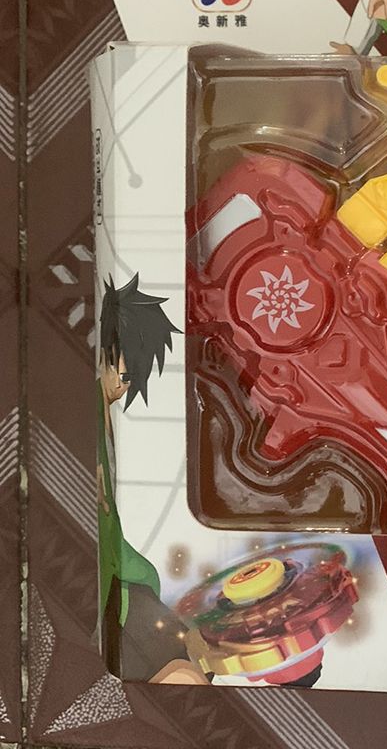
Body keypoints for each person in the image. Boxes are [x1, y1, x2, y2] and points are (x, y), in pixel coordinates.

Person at [97, 274, 207, 684]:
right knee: (180, 671)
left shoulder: (105, 422)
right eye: (122, 368)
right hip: (124, 593)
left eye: (131, 374)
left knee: (184, 665)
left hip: (131, 586)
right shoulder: (91, 419)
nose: (124, 382)